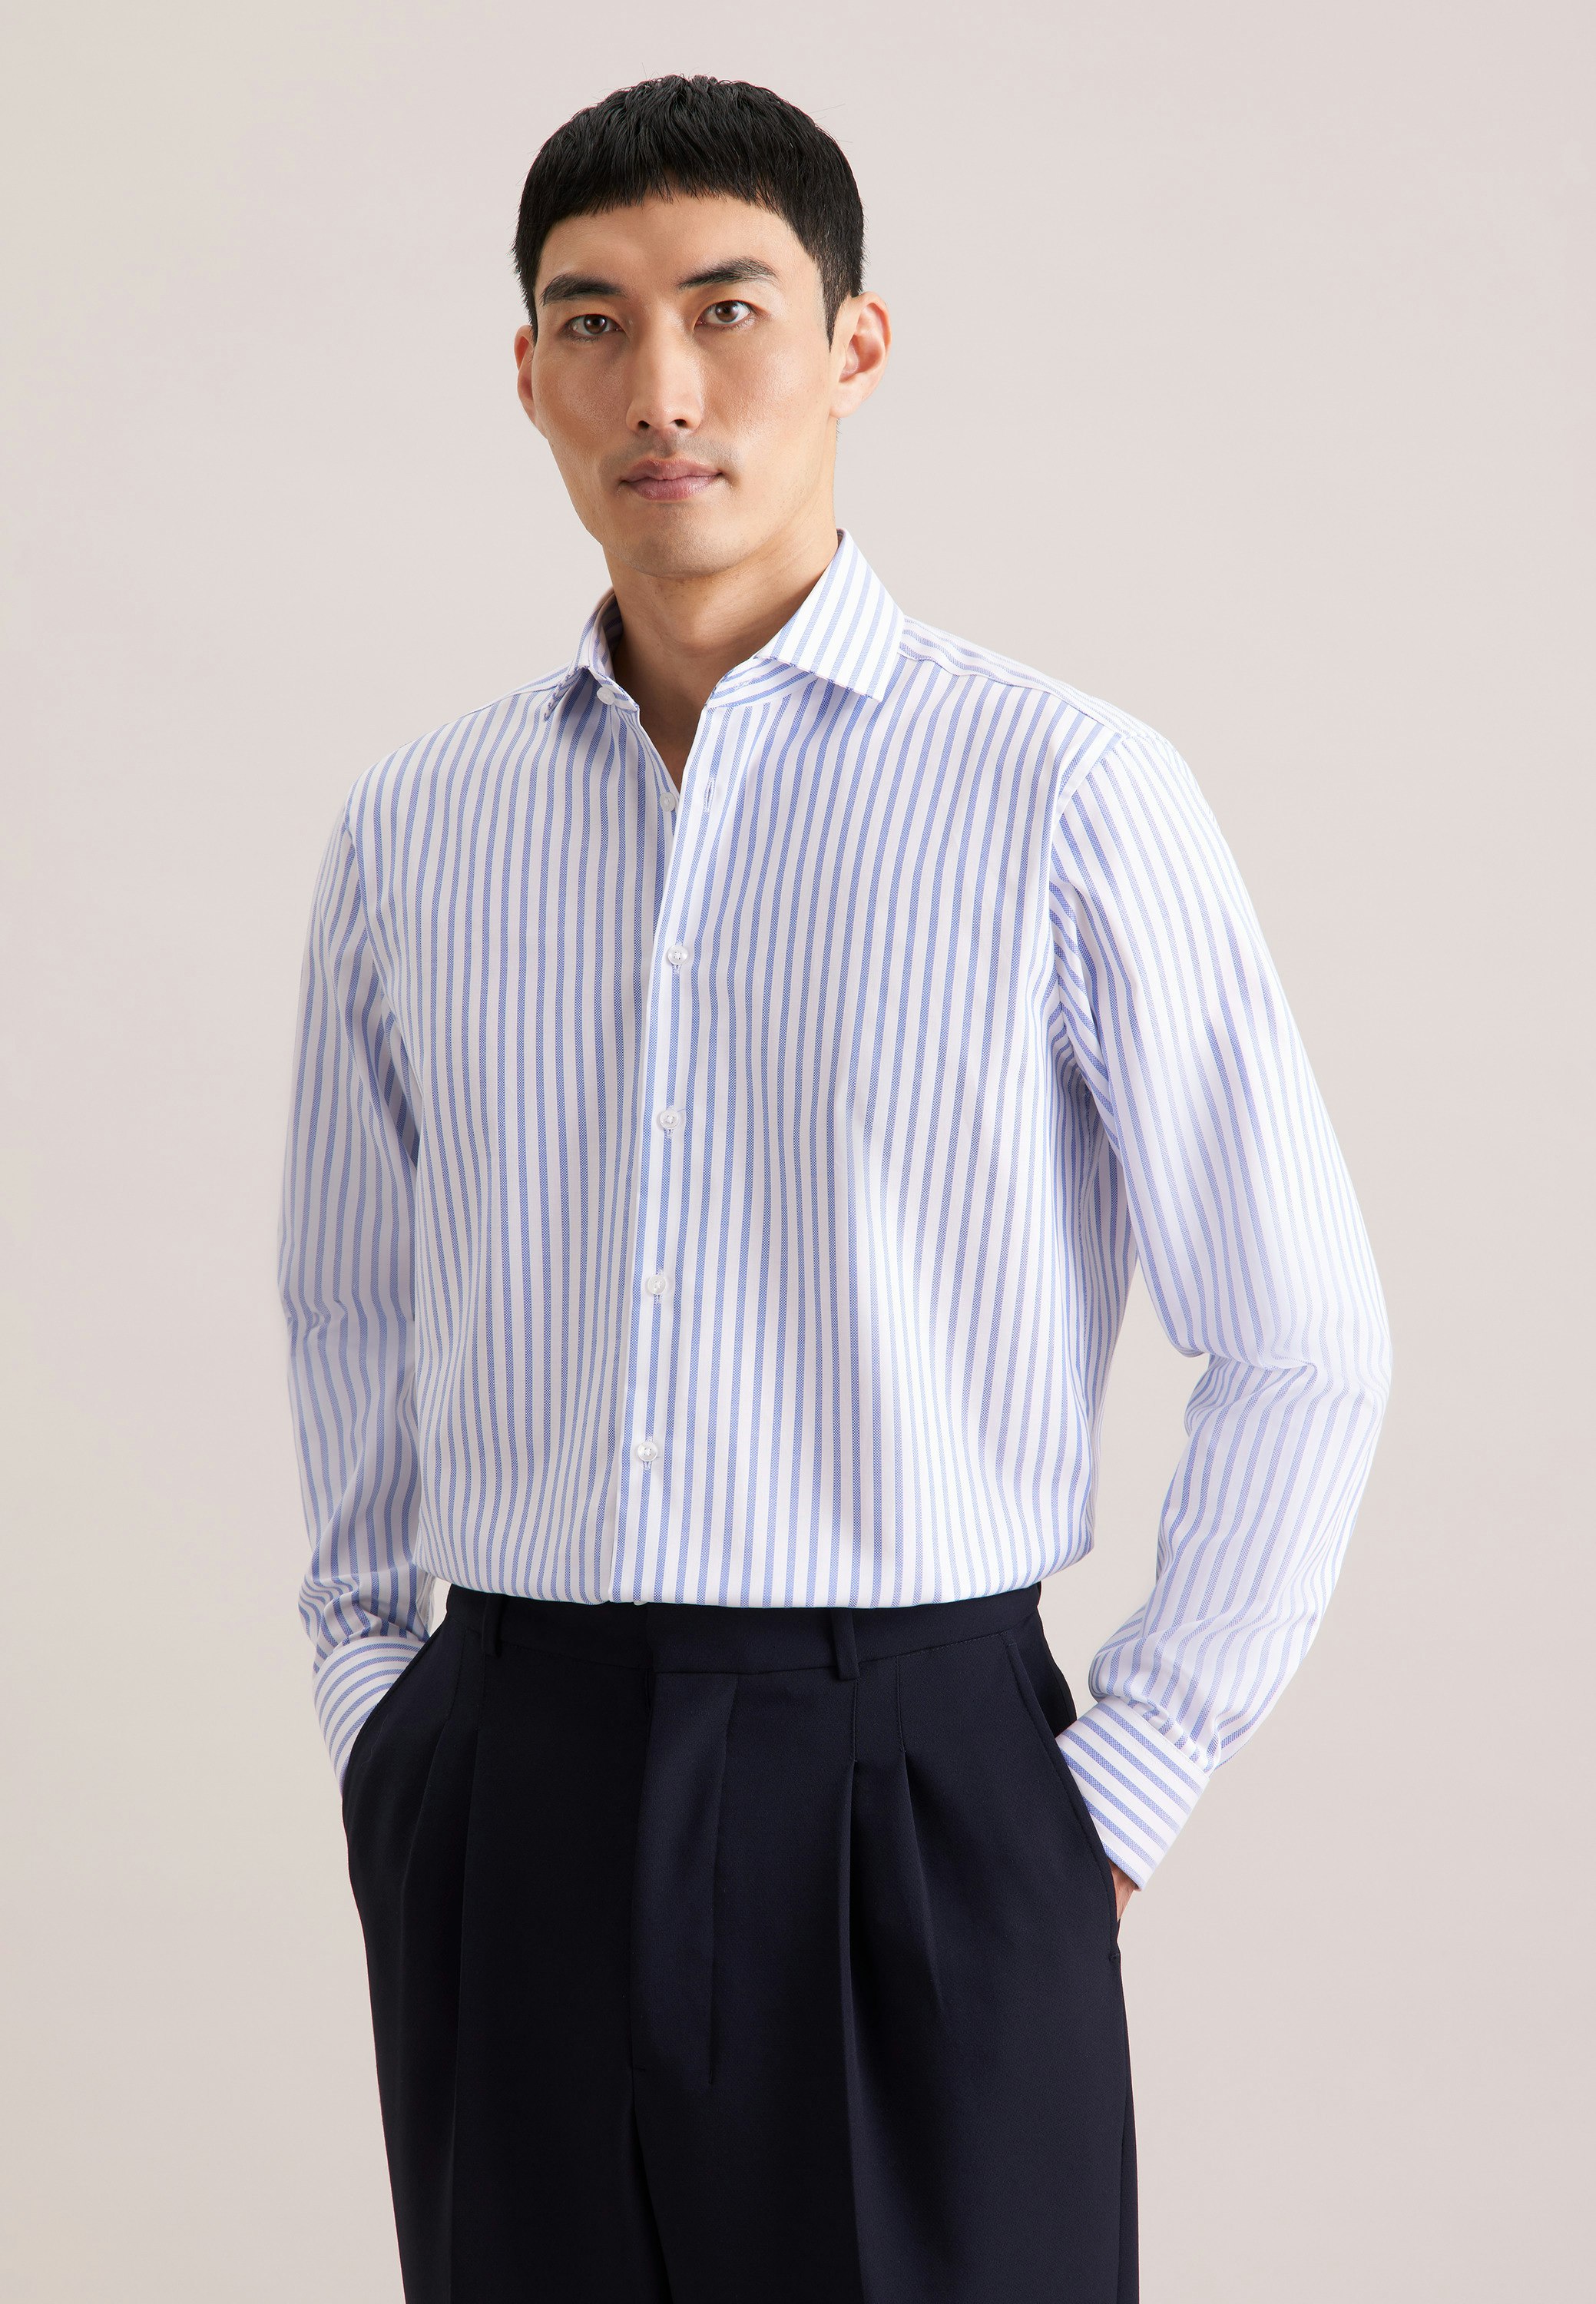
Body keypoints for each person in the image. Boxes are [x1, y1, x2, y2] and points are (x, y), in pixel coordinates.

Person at [276, 72, 1391, 2304]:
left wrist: (1120, 1790)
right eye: (592, 323)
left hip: (918, 1777)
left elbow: (1303, 1340)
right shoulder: (418, 828)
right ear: (527, 374)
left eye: (728, 310)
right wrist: (382, 1714)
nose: (661, 389)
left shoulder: (1063, 792)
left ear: (854, 344)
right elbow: (351, 1304)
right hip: (514, 1775)